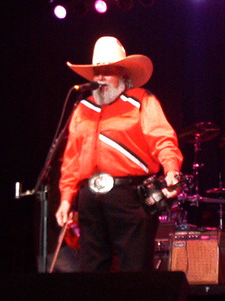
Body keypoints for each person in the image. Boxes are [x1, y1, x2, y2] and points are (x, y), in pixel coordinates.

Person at [55, 36, 183, 272]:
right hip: (89, 197)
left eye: (108, 71)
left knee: (133, 266)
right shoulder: (82, 109)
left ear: (124, 74)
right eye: (97, 72)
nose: (101, 78)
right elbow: (71, 160)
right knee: (91, 267)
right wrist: (66, 198)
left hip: (129, 195)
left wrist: (172, 169)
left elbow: (162, 139)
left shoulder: (141, 100)